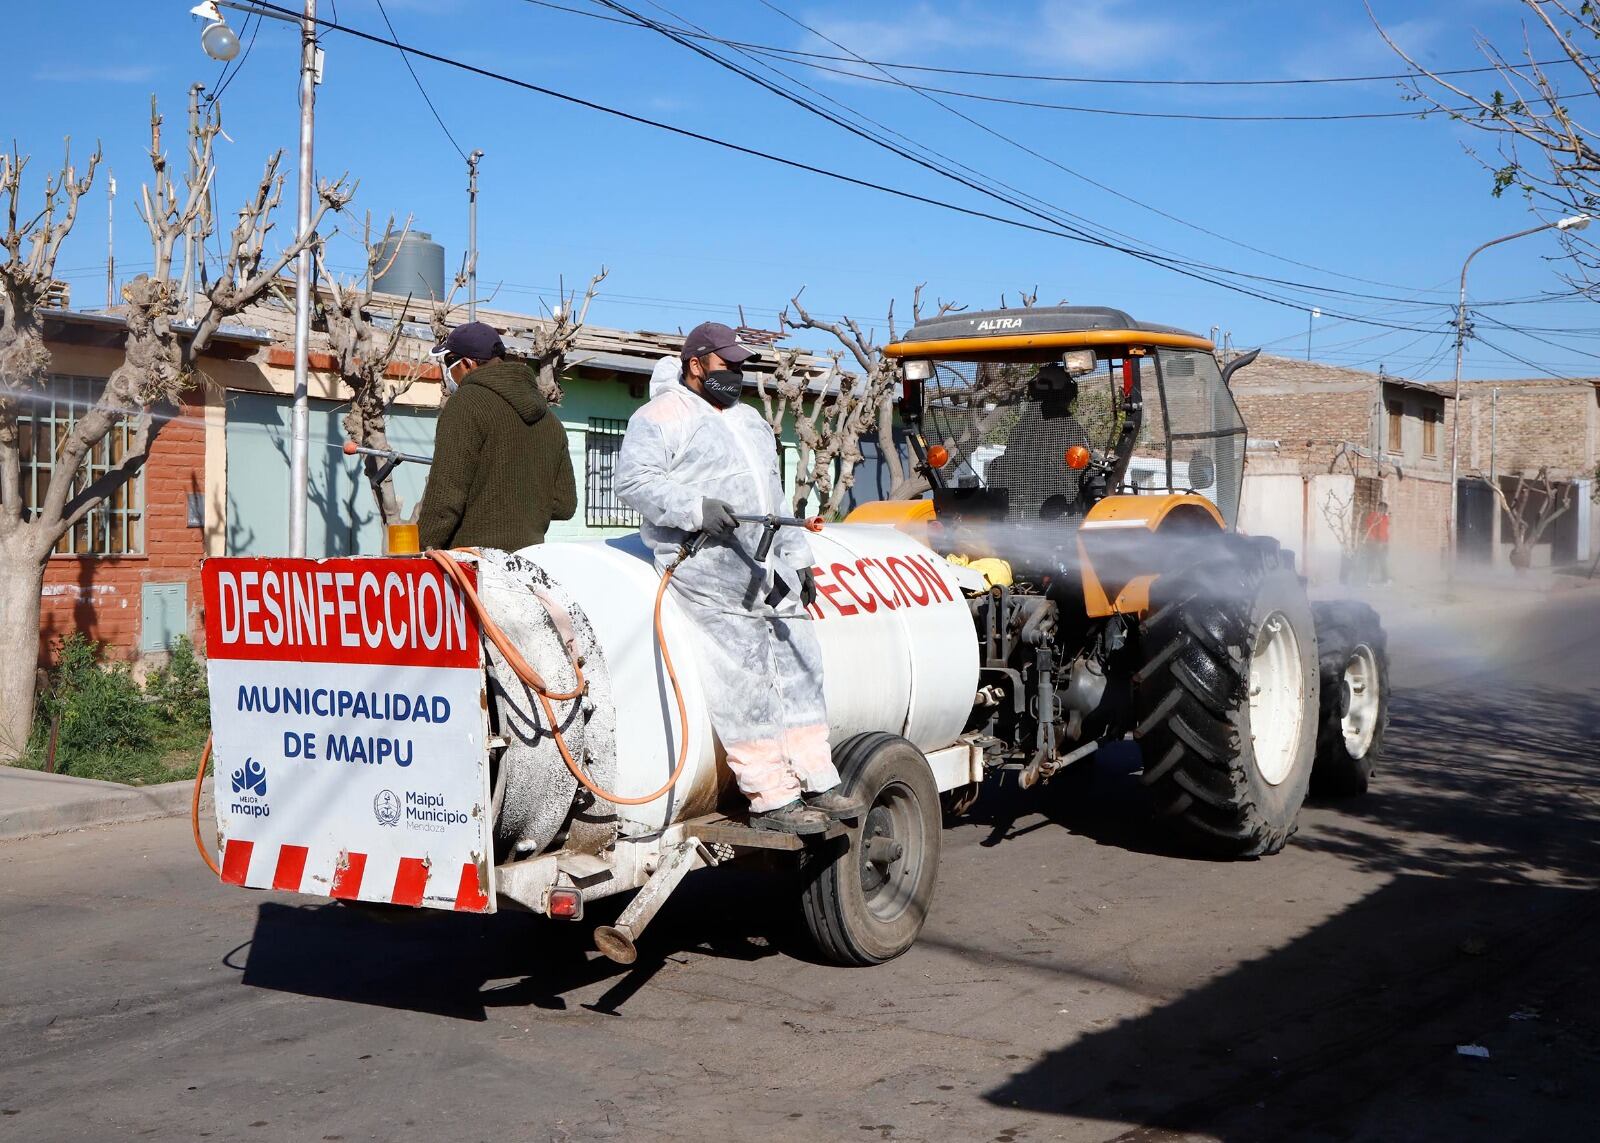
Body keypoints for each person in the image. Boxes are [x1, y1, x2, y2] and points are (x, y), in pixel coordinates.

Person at [615, 322, 861, 834]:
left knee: (801, 660)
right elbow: (634, 481)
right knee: (744, 675)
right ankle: (771, 796)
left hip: (765, 559)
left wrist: (797, 556)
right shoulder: (661, 416)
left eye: (741, 365)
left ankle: (816, 773)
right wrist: (694, 506)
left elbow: (772, 496)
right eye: (728, 365)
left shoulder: (749, 420)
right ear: (696, 363)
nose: (738, 374)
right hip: (705, 564)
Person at [417, 321, 576, 552]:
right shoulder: (550, 420)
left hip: (472, 566)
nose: (448, 370)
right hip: (530, 563)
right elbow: (564, 505)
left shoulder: (466, 403)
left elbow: (445, 498)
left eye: (449, 362)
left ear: (468, 364)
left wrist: (420, 549)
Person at [1362, 500, 1391, 585]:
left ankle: (1385, 579)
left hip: (1383, 543)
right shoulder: (1373, 517)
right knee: (1372, 561)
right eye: (1381, 509)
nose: (1382, 511)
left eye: (1384, 510)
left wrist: (1385, 543)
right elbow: (1369, 528)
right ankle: (1368, 579)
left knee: (1383, 562)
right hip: (1374, 543)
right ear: (1378, 508)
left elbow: (1386, 531)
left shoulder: (1385, 518)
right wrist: (1374, 541)